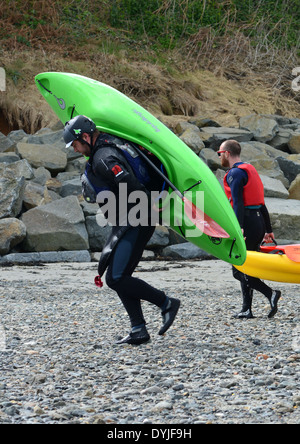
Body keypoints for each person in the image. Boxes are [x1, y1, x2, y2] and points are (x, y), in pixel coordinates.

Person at [63, 115, 180, 345]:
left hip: (136, 219)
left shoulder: (103, 156)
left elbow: (127, 181)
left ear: (85, 136)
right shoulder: (107, 144)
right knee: (117, 275)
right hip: (131, 219)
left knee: (116, 277)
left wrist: (143, 208)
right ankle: (138, 329)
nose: (75, 149)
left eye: (75, 144)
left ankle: (166, 302)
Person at [218, 139, 281, 319]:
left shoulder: (235, 174)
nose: (219, 156)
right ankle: (247, 308)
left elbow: (238, 203)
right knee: (246, 266)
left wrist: (238, 228)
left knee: (239, 269)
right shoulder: (250, 170)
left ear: (227, 153)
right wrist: (268, 229)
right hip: (258, 222)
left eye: (219, 153)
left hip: (247, 223)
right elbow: (261, 202)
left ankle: (270, 294)